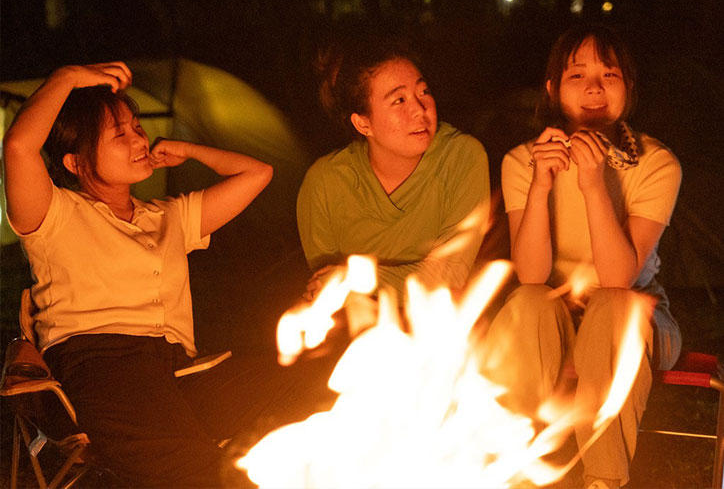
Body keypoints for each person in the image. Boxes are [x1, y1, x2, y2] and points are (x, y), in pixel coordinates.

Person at [2, 62, 284, 487]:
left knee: (300, 384)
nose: (139, 140)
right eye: (120, 135)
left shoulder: (169, 216)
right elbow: (19, 146)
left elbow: (258, 174)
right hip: (101, 367)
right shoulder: (53, 213)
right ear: (75, 161)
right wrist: (67, 78)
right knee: (194, 469)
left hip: (177, 372)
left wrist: (190, 150)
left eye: (137, 128)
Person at [482, 25, 682, 489]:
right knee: (527, 302)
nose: (594, 88)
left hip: (634, 318)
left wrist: (593, 184)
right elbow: (531, 275)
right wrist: (541, 186)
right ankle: (511, 470)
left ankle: (603, 481)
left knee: (613, 307)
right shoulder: (523, 161)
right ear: (553, 88)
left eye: (609, 75)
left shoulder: (655, 163)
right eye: (577, 75)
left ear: (628, 88)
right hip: (551, 320)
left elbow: (618, 279)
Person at [296, 38, 490, 325]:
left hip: (448, 325)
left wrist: (353, 278)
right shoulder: (325, 183)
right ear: (363, 123)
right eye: (399, 100)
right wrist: (342, 285)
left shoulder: (461, 157)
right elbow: (327, 288)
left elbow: (450, 275)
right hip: (364, 331)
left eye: (423, 92)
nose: (420, 109)